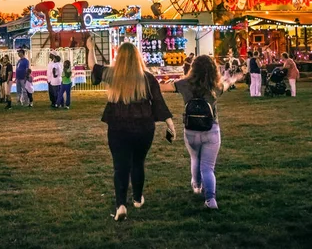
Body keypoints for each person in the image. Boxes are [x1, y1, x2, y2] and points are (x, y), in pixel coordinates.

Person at [87, 37, 176, 222]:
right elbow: (158, 102)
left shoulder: (113, 75)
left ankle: (120, 205)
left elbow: (93, 67)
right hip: (144, 127)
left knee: (120, 167)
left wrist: (90, 48)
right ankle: (137, 199)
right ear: (138, 58)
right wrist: (170, 123)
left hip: (118, 127)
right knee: (138, 162)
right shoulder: (147, 78)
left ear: (119, 58)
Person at [170, 55, 240, 210]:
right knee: (207, 167)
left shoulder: (183, 84)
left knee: (195, 158)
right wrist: (235, 78)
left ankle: (196, 186)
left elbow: (162, 88)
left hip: (191, 130)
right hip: (211, 129)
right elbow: (227, 83)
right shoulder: (216, 86)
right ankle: (210, 200)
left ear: (193, 68)